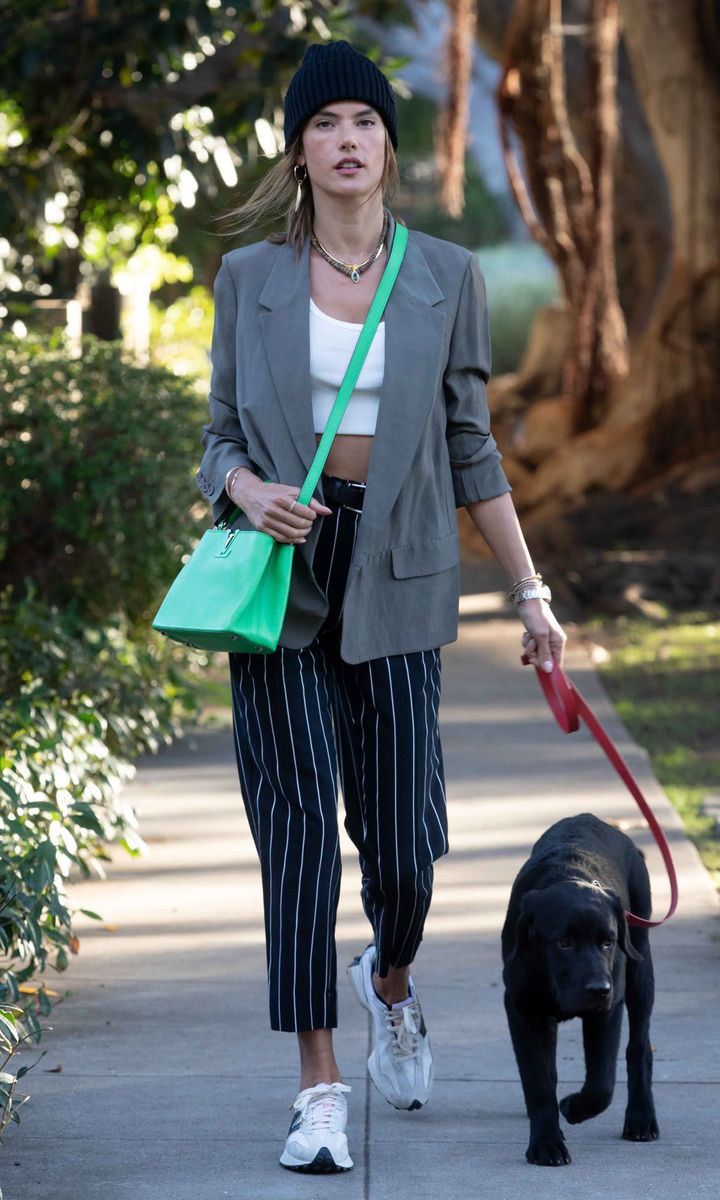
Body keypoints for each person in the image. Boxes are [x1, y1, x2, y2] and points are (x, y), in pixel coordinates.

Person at [196, 38, 567, 1175]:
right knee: (300, 837)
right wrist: (245, 488)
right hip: (280, 579)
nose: (347, 140)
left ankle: (390, 977)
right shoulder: (250, 278)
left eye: (364, 121)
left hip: (400, 573)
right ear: (298, 151)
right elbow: (215, 437)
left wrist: (532, 590)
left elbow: (469, 445)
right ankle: (318, 1088)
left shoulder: (443, 274)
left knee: (406, 846)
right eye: (324, 124)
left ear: (385, 148)